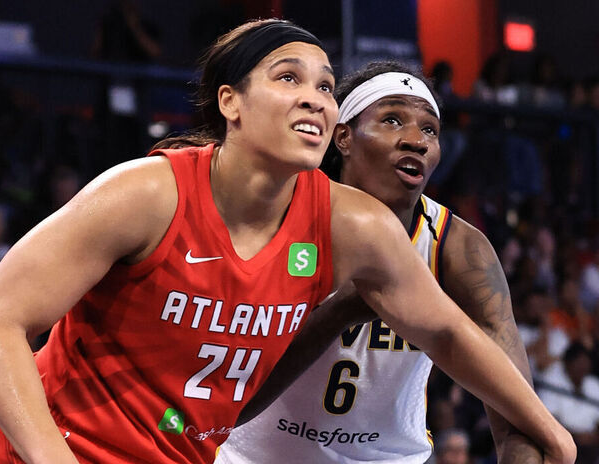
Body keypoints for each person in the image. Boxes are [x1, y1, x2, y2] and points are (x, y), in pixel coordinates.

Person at [0, 20, 574, 464]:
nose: (314, 97)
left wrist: (552, 433)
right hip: (54, 448)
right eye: (288, 78)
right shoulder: (146, 193)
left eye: (326, 87)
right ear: (231, 102)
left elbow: (447, 333)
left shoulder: (355, 225)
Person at [217, 61, 547, 463]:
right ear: (343, 137)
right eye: (392, 120)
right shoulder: (280, 217)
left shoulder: (457, 248)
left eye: (430, 130)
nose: (416, 140)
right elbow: (231, 396)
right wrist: (340, 311)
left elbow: (518, 418)